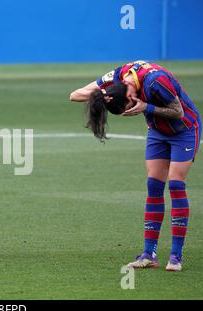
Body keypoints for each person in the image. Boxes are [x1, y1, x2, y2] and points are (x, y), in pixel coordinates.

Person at [70, 60, 201, 271]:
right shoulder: (117, 76)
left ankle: (176, 256)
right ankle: (149, 254)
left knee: (176, 185)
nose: (132, 112)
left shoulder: (156, 81)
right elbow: (75, 95)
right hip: (158, 132)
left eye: (130, 108)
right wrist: (102, 94)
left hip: (184, 130)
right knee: (154, 186)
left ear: (131, 97)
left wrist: (146, 107)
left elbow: (178, 112)